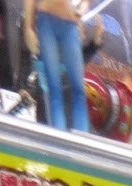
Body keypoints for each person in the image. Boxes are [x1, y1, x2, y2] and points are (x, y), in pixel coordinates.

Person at [22, 0, 88, 132]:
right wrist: (28, 27)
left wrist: (80, 10)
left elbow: (84, 2)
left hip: (69, 25)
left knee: (77, 89)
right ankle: (59, 133)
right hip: (47, 19)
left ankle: (82, 136)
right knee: (54, 87)